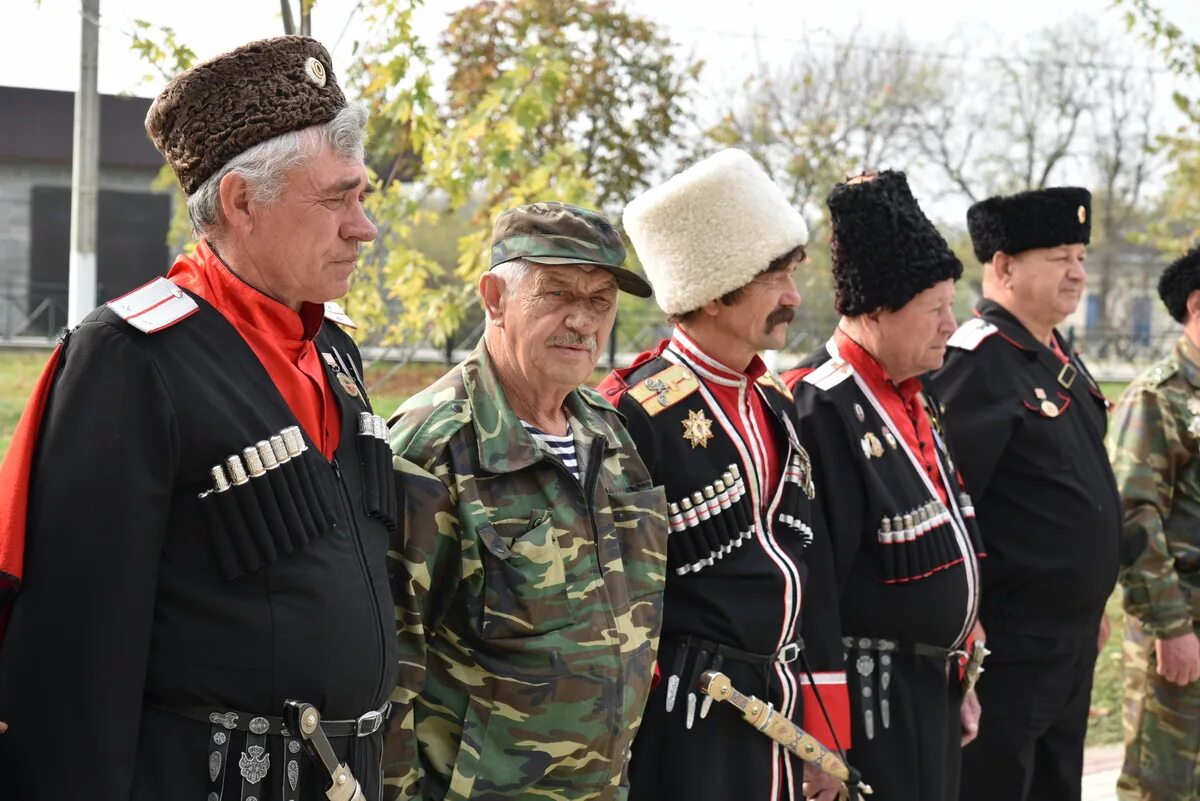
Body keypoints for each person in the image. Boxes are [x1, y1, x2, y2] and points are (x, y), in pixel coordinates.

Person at [0, 36, 398, 801]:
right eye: (336, 198)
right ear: (244, 201)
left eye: (362, 196)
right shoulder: (132, 358)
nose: (363, 226)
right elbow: (71, 657)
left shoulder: (334, 353)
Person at [385, 202, 668, 800]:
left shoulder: (608, 433)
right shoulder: (433, 445)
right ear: (495, 297)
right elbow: (385, 672)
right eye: (557, 292)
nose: (583, 321)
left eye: (599, 300)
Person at [597, 149, 851, 801]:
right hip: (690, 727)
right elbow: (613, 600)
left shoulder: (773, 402)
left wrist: (825, 731)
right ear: (713, 289)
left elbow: (808, 573)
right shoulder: (637, 412)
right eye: (774, 278)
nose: (794, 297)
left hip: (782, 711)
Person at [783, 170, 986, 801]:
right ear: (874, 309)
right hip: (870, 703)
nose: (950, 325)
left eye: (951, 305)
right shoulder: (821, 408)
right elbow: (814, 593)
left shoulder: (915, 395)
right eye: (934, 310)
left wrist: (962, 672)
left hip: (927, 689)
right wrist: (823, 736)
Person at [928, 187, 1121, 801]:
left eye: (1082, 256)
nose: (1077, 271)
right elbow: (950, 508)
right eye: (1059, 255)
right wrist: (969, 627)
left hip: (1069, 640)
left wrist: (1087, 605)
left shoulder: (1057, 355)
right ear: (1005, 266)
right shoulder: (978, 363)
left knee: (1057, 785)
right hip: (1009, 649)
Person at [1107, 243, 1200, 801]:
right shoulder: (1158, 397)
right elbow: (1135, 519)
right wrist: (1172, 629)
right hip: (1182, 623)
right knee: (1164, 786)